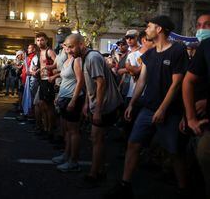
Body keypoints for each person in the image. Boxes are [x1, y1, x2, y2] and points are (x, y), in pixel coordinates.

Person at [105, 15, 189, 198]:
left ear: (159, 29)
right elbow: (142, 81)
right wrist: (132, 104)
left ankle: (184, 189)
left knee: (175, 151)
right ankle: (125, 185)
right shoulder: (149, 54)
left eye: (150, 26)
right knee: (133, 143)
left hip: (171, 111)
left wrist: (162, 109)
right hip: (148, 108)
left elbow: (177, 84)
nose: (147, 29)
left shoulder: (178, 50)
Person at [68, 34, 123, 186]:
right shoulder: (84, 58)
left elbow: (101, 83)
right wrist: (87, 103)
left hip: (105, 106)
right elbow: (89, 84)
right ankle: (101, 170)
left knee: (96, 138)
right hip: (96, 105)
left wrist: (98, 110)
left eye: (71, 47)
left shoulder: (92, 57)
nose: (69, 50)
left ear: (81, 44)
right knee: (97, 139)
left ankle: (94, 174)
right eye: (67, 47)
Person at [182, 13, 210, 197]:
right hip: (201, 122)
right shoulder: (206, 48)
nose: (201, 30)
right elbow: (188, 82)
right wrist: (189, 116)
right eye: (199, 25)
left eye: (206, 25)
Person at [51, 35, 85, 172]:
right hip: (64, 98)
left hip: (72, 99)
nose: (66, 48)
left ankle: (73, 161)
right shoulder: (68, 60)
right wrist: (59, 96)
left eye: (69, 46)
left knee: (73, 131)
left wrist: (73, 100)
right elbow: (65, 80)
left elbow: (80, 81)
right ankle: (66, 155)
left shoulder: (77, 60)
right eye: (65, 46)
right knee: (67, 130)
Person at [36, 32, 57, 139]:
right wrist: (39, 70)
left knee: (49, 107)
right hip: (42, 80)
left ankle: (50, 130)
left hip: (48, 81)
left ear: (46, 40)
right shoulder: (40, 52)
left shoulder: (50, 51)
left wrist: (50, 70)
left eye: (42, 40)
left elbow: (58, 64)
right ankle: (45, 128)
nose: (40, 42)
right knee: (41, 105)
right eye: (38, 40)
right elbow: (43, 66)